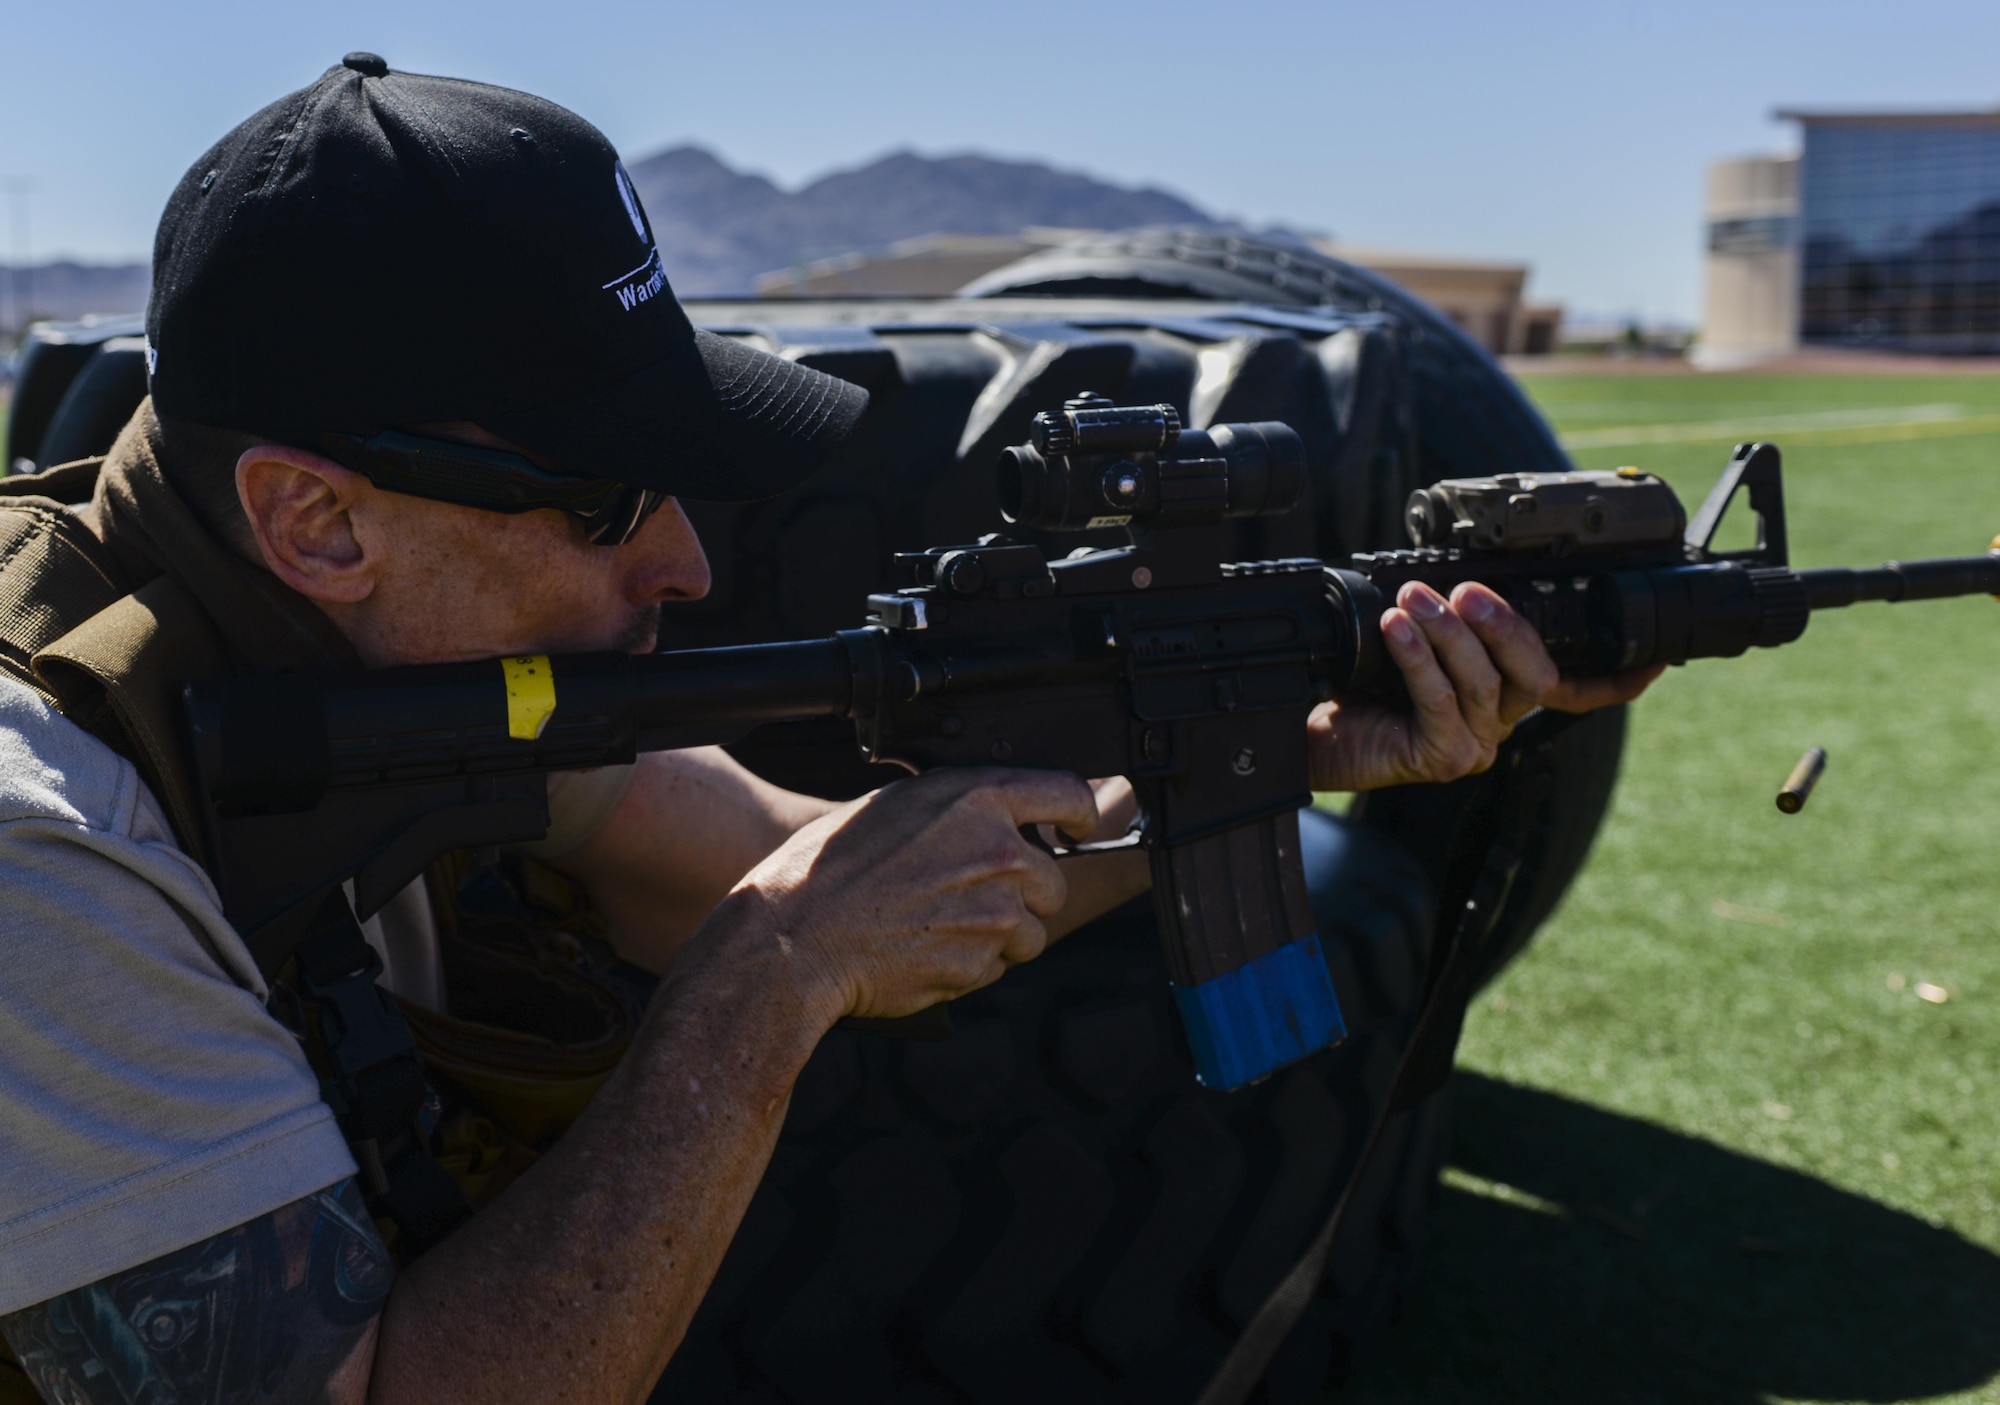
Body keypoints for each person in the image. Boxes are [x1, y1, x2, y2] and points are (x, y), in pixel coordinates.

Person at [0, 56, 1658, 1405]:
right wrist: (766, 984)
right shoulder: (45, 854)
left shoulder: (362, 649)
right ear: (319, 520)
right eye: (609, 500)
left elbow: (789, 860)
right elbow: (781, 922)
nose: (688, 562)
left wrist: (1275, 745)